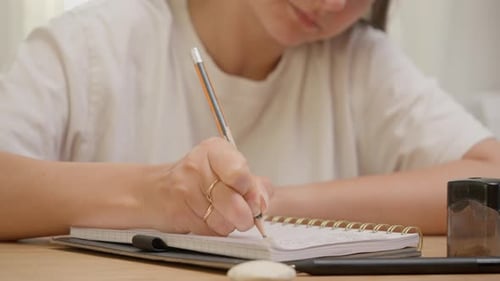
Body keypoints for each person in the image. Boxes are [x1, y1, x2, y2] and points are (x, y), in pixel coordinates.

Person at [1, 0, 499, 241]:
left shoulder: (360, 62)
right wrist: (156, 194)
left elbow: (492, 177)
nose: (328, 3)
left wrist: (282, 203)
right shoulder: (89, 47)